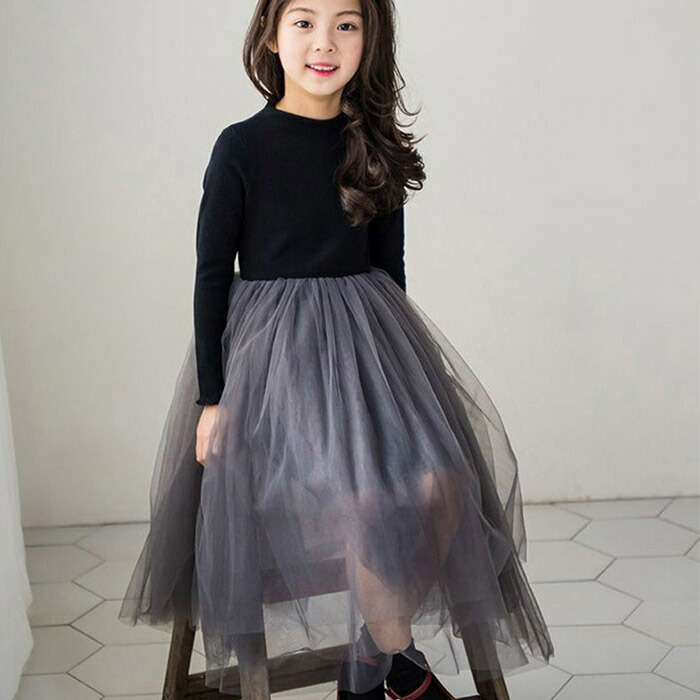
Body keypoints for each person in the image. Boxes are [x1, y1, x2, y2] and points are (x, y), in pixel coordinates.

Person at [119, 0, 555, 698]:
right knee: (359, 502)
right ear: (270, 36)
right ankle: (402, 668)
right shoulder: (241, 147)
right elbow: (211, 274)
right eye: (304, 22)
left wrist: (404, 381)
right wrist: (212, 397)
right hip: (275, 365)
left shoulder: (372, 145)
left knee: (443, 483)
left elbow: (390, 271)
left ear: (369, 40)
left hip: (368, 347)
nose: (324, 42)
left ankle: (373, 656)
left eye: (346, 25)